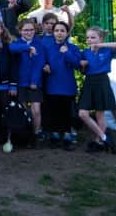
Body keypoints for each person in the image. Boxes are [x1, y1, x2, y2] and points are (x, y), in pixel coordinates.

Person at [78, 26, 116, 153]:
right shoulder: (85, 52)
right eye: (88, 37)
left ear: (100, 38)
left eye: (93, 37)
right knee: (82, 113)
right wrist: (82, 64)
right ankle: (105, 137)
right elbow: (81, 67)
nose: (89, 40)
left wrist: (101, 45)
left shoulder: (107, 50)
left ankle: (98, 142)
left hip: (102, 82)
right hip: (89, 82)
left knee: (99, 114)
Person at [42, 21, 81, 151]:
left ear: (67, 33)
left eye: (62, 31)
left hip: (67, 85)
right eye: (57, 30)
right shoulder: (48, 48)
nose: (59, 33)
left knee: (66, 112)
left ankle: (67, 136)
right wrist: (45, 66)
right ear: (53, 33)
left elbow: (77, 64)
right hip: (52, 84)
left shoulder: (73, 48)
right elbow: (43, 62)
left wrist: (67, 53)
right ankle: (54, 136)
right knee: (54, 111)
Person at [9, 19, 46, 146]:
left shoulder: (40, 44)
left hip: (34, 83)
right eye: (25, 30)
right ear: (20, 31)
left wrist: (34, 81)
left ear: (35, 30)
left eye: (31, 29)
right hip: (21, 83)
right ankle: (26, 134)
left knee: (36, 110)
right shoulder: (17, 43)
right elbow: (12, 48)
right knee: (23, 110)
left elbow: (39, 64)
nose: (29, 32)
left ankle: (36, 133)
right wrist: (27, 47)